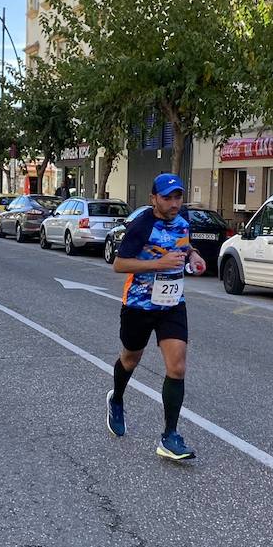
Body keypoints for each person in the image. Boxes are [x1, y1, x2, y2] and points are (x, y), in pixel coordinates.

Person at [105, 173, 207, 461]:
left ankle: (170, 436)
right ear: (154, 199)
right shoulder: (141, 225)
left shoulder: (184, 218)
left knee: (177, 366)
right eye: (167, 198)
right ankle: (117, 399)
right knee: (130, 359)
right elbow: (119, 264)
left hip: (172, 304)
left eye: (178, 197)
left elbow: (185, 246)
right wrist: (158, 263)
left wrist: (194, 257)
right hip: (139, 305)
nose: (174, 203)